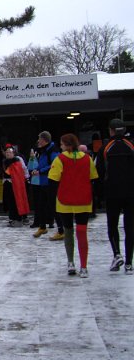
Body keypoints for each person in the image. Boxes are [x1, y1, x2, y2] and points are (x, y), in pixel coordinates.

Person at [48, 133, 98, 278]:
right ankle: (84, 266)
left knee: (68, 231)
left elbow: (53, 180)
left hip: (65, 201)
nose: (61, 146)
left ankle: (70, 262)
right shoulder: (87, 159)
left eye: (62, 144)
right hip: (83, 200)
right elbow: (93, 177)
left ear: (67, 145)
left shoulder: (60, 159)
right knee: (82, 232)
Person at [98, 118, 134, 274]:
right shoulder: (131, 146)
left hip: (112, 192)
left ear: (111, 131)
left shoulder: (105, 148)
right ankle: (129, 262)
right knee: (130, 227)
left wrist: (99, 194)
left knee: (112, 225)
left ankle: (116, 254)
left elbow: (99, 171)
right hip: (131, 192)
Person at [31, 131, 64, 240]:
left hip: (51, 181)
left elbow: (54, 165)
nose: (38, 141)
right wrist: (38, 169)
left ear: (44, 140)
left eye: (39, 139)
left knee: (53, 206)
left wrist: (41, 171)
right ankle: (42, 226)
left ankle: (61, 230)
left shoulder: (52, 151)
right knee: (41, 205)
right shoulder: (44, 150)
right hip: (44, 182)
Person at [2, 146, 29, 227]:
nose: (8, 154)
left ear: (13, 153)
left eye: (9, 152)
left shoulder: (17, 161)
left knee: (16, 201)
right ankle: (12, 218)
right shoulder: (5, 161)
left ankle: (18, 218)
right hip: (7, 183)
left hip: (15, 184)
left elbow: (18, 172)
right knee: (9, 201)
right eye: (6, 152)